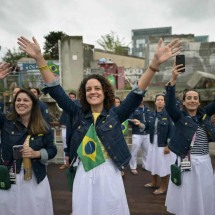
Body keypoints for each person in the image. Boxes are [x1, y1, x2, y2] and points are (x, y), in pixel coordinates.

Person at [17, 36, 181, 215]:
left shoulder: (116, 114)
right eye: (88, 89)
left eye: (97, 88)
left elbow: (137, 93)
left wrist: (154, 64)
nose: (92, 92)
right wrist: (40, 58)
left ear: (104, 92)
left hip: (109, 171)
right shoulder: (76, 111)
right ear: (84, 94)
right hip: (83, 171)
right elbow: (56, 90)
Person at [0, 63, 57, 215]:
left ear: (33, 104)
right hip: (10, 178)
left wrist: (36, 154)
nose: (21, 103)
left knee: (35, 210)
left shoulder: (43, 126)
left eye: (25, 100)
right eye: (18, 100)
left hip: (35, 178)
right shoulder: (6, 121)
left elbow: (52, 150)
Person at [165, 62, 215, 215]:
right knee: (186, 195)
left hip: (205, 162)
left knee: (204, 193)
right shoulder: (179, 116)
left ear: (199, 102)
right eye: (189, 98)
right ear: (184, 102)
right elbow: (170, 105)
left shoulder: (204, 114)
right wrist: (173, 80)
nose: (192, 100)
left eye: (195, 98)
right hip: (187, 160)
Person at [144, 93, 175, 195]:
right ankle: (154, 182)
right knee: (154, 162)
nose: (160, 101)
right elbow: (148, 127)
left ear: (165, 102)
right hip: (153, 142)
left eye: (162, 99)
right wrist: (140, 124)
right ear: (155, 102)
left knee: (163, 165)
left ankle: (163, 187)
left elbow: (172, 130)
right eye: (158, 99)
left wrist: (168, 145)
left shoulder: (169, 114)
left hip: (163, 143)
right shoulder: (152, 114)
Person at [129, 97, 152, 175]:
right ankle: (133, 167)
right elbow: (129, 119)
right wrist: (135, 122)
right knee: (134, 150)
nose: (141, 99)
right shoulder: (133, 108)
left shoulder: (147, 108)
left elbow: (150, 120)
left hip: (147, 133)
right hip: (137, 133)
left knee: (147, 150)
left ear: (144, 98)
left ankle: (145, 165)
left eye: (142, 97)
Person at [59, 91, 77, 170]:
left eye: (73, 97)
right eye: (70, 97)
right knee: (65, 146)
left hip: (74, 129)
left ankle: (74, 163)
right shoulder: (66, 106)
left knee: (74, 145)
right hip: (64, 128)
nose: (72, 99)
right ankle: (65, 163)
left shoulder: (77, 107)